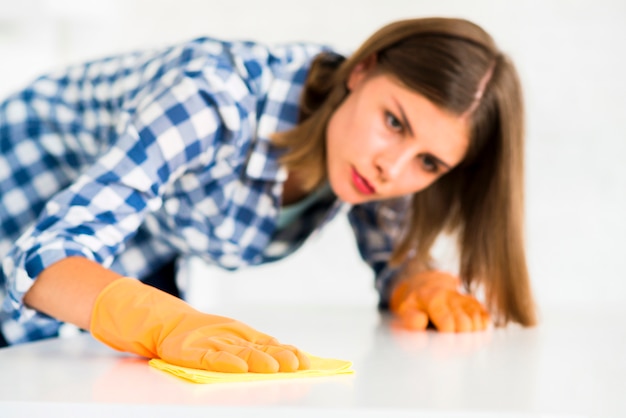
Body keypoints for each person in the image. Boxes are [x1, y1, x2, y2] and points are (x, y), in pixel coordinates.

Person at [0, 17, 536, 372]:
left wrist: (418, 280)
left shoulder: (372, 162)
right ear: (363, 70)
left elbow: (391, 252)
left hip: (117, 263)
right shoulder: (211, 97)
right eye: (394, 121)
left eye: (429, 162)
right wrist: (158, 320)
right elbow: (43, 256)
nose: (391, 167)